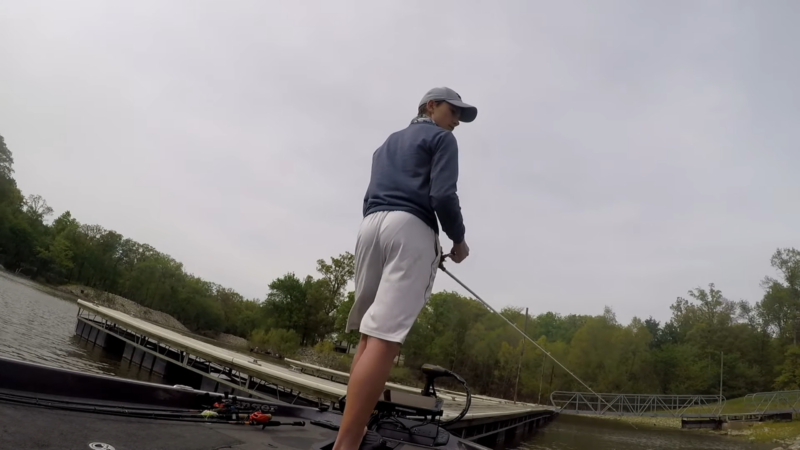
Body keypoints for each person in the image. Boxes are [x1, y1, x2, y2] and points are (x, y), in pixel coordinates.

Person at [332, 87, 477, 450]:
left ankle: (352, 430)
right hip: (409, 227)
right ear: (431, 106)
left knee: (368, 336)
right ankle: (346, 444)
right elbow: (442, 195)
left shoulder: (387, 144)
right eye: (453, 112)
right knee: (384, 338)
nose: (456, 121)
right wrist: (458, 241)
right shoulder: (441, 139)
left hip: (369, 227)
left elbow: (369, 196)